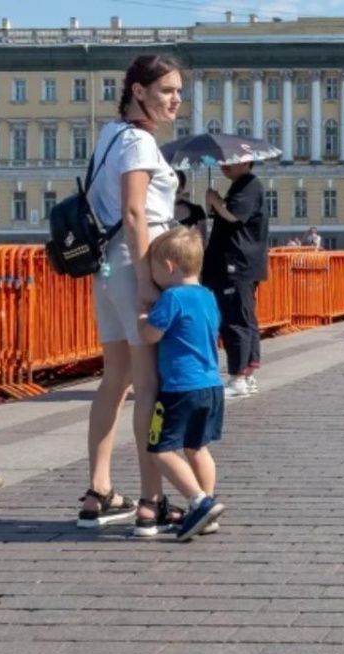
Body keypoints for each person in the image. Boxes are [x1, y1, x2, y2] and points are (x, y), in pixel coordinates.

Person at [82, 54, 183, 535]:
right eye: (166, 90)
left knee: (114, 379)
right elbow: (136, 213)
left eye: (179, 91)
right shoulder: (140, 141)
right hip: (134, 265)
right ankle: (151, 501)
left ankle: (99, 491)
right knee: (148, 385)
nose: (176, 100)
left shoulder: (109, 136)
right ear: (138, 91)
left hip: (107, 269)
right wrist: (147, 279)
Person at [138, 227, 226, 541]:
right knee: (197, 448)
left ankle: (199, 501)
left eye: (153, 270)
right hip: (211, 385)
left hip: (179, 389)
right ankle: (208, 506)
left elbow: (151, 336)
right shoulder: (208, 296)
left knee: (159, 451)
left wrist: (144, 319)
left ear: (169, 267)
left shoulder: (172, 297)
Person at [203, 158, 267, 400]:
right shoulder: (243, 185)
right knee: (245, 317)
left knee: (235, 319)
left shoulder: (248, 185)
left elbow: (233, 215)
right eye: (222, 161)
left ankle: (238, 376)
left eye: (230, 161)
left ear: (247, 163)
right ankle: (248, 373)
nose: (224, 165)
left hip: (236, 264)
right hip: (241, 264)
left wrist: (215, 200)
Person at [173, 170, 207, 237]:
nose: (173, 195)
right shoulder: (159, 212)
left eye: (177, 191)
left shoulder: (197, 211)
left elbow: (202, 241)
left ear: (182, 189)